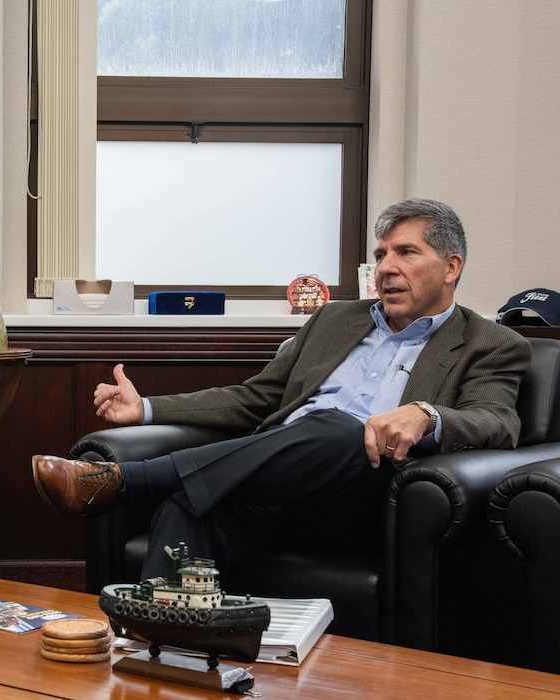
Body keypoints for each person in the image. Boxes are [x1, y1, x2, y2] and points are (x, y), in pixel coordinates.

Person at [33, 198, 532, 581]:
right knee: (190, 505)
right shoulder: (335, 319)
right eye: (380, 254)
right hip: (275, 482)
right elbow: (256, 398)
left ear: (451, 267)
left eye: (406, 253)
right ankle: (161, 650)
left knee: (339, 428)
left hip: (365, 497)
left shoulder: (490, 344)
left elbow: (498, 422)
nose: (385, 268)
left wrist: (426, 414)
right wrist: (145, 408)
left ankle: (125, 480)